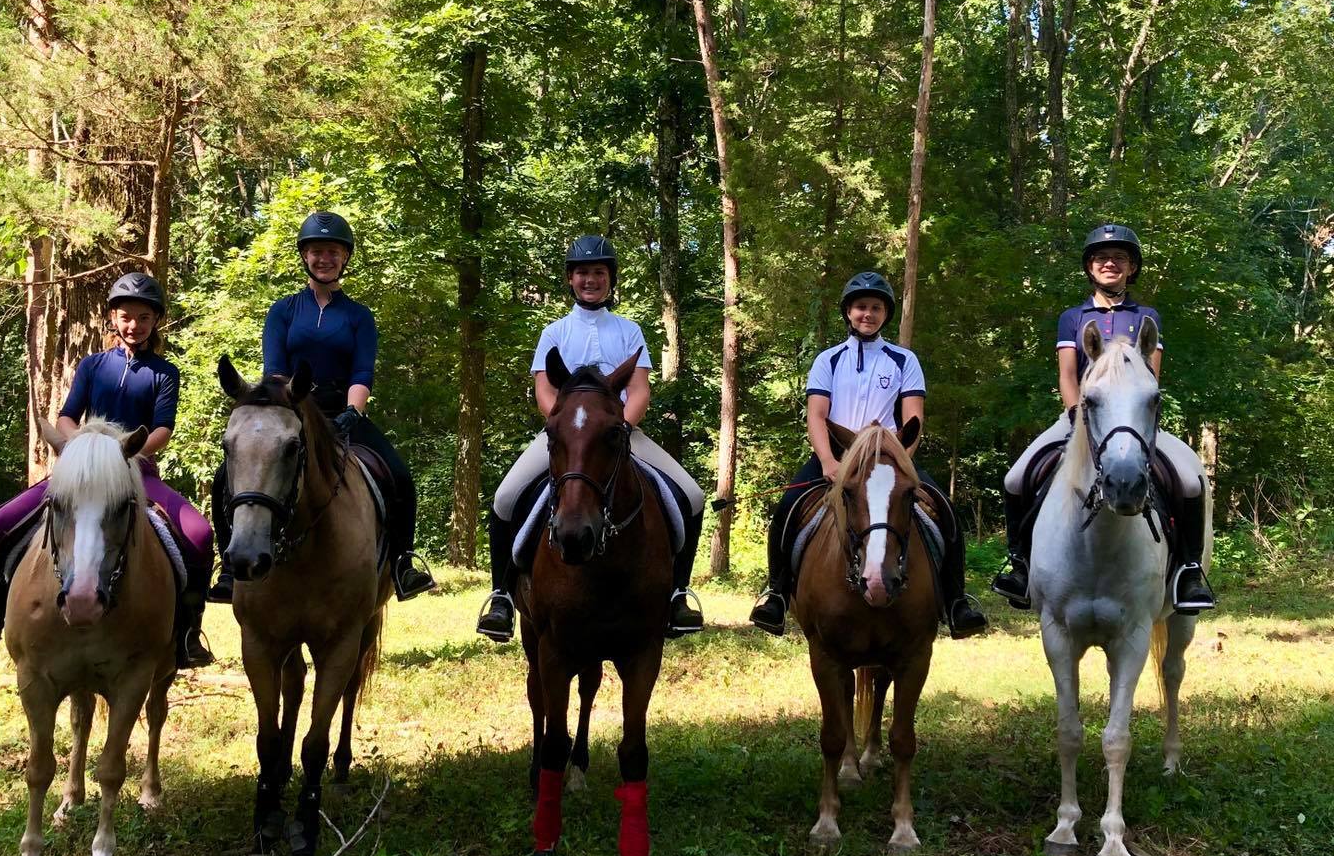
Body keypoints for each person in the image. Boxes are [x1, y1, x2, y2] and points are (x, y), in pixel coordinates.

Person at [0, 273, 216, 668]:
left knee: (199, 533)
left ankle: (188, 631)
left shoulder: (164, 373)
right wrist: (84, 450)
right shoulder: (93, 366)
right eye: (127, 316)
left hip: (137, 470)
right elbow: (66, 417)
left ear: (155, 322)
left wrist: (125, 454)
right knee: (3, 521)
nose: (134, 325)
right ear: (113, 317)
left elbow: (163, 428)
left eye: (144, 318)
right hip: (84, 468)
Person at [476, 235, 705, 644]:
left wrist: (623, 427)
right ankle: (501, 596)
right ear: (570, 278)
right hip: (565, 437)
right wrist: (566, 426)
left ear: (610, 279)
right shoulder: (554, 331)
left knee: (691, 494)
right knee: (506, 497)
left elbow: (639, 390)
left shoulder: (629, 330)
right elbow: (544, 390)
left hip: (621, 434)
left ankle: (677, 593)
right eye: (582, 272)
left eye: (599, 273)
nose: (590, 279)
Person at [749, 270, 988, 640]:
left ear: (886, 314)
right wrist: (828, 461)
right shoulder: (827, 360)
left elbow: (913, 419)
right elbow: (816, 415)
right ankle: (777, 594)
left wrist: (901, 461)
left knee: (944, 509)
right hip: (839, 454)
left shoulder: (903, 359)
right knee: (788, 506)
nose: (868, 314)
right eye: (861, 306)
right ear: (848, 312)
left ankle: (957, 601)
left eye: (876, 307)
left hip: (890, 458)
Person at [992, 223, 1215, 613]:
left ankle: (1190, 571)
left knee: (1189, 482)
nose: (1110, 264)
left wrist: (1133, 415)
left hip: (1134, 420)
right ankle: (1020, 565)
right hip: (1081, 418)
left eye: (1119, 259)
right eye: (1101, 258)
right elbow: (1066, 375)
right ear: (1090, 267)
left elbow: (1150, 377)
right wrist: (1079, 416)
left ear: (1131, 268)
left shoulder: (1146, 317)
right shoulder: (1073, 318)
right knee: (1015, 478)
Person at [212, 212, 433, 602]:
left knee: (399, 477)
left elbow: (362, 372)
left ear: (345, 257)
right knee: (222, 477)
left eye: (332, 251)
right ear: (305, 256)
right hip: (289, 411)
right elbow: (274, 371)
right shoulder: (283, 310)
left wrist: (353, 411)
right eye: (316, 251)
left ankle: (401, 563)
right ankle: (230, 568)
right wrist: (289, 409)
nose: (324, 258)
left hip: (342, 412)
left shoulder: (358, 316)